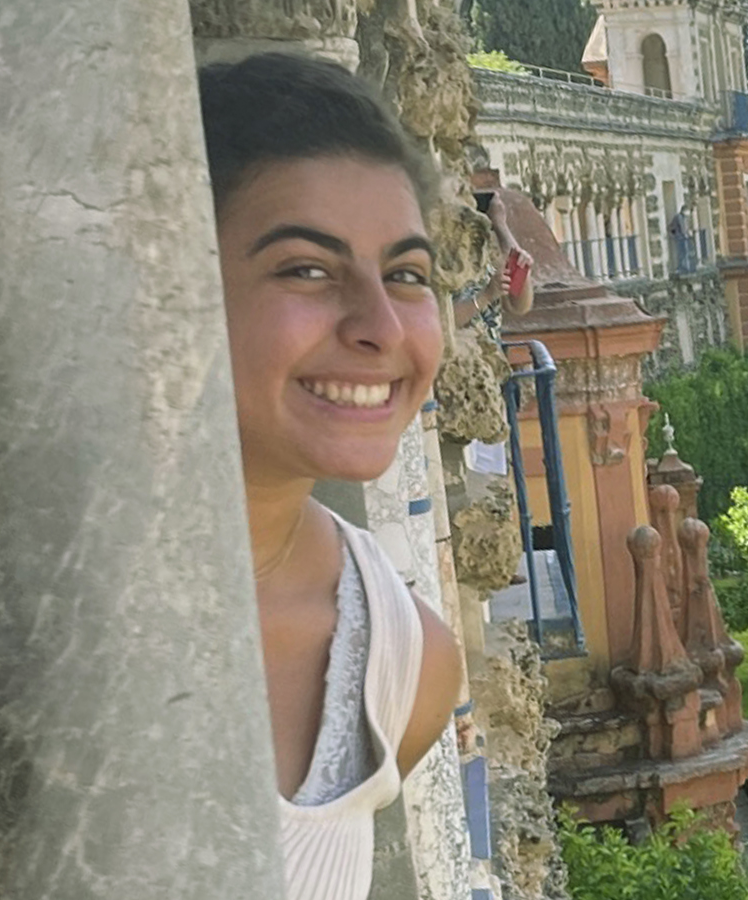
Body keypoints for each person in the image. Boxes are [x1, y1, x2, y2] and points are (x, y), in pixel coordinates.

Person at [198, 52, 464, 900]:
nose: (380, 326)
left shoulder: (404, 663)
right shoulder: (4, 616)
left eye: (407, 276)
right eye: (307, 268)